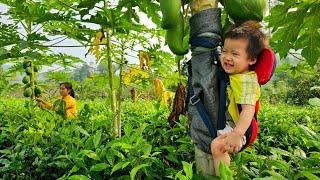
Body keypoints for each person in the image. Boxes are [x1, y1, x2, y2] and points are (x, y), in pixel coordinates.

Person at [210, 21, 267, 176]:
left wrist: (237, 134)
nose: (227, 57)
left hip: (244, 129)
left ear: (252, 59)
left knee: (217, 147)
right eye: (224, 51)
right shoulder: (237, 75)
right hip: (236, 126)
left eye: (235, 54)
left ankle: (224, 177)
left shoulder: (246, 81)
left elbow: (248, 109)